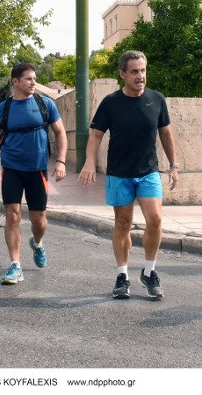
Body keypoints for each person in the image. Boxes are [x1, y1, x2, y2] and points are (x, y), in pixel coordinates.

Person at [78, 50, 179, 300]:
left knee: (155, 220)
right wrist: (89, 162)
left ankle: (149, 272)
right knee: (123, 224)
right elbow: (96, 135)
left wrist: (174, 165)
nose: (140, 76)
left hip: (148, 172)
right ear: (122, 74)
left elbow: (166, 134)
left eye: (143, 70)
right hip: (120, 173)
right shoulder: (111, 102)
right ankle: (122, 276)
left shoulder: (156, 99)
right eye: (134, 71)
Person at [0, 62, 68, 285]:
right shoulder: (3, 109)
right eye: (29, 78)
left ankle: (37, 243)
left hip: (37, 170)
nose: (33, 82)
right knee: (12, 214)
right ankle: (15, 265)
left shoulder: (45, 104)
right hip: (11, 168)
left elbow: (60, 133)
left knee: (39, 221)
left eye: (34, 78)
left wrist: (60, 161)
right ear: (15, 82)